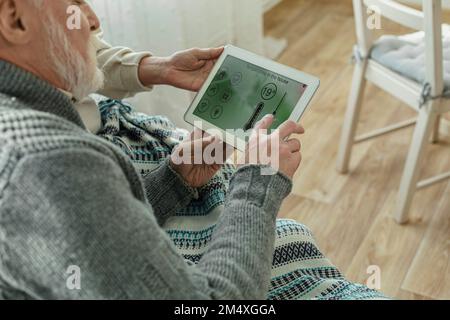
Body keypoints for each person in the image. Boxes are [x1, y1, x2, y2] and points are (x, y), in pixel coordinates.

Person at [0, 0, 385, 299]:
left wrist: (176, 178)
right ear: (14, 20)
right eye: (76, 4)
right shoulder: (46, 164)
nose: (95, 21)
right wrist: (258, 181)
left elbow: (99, 232)